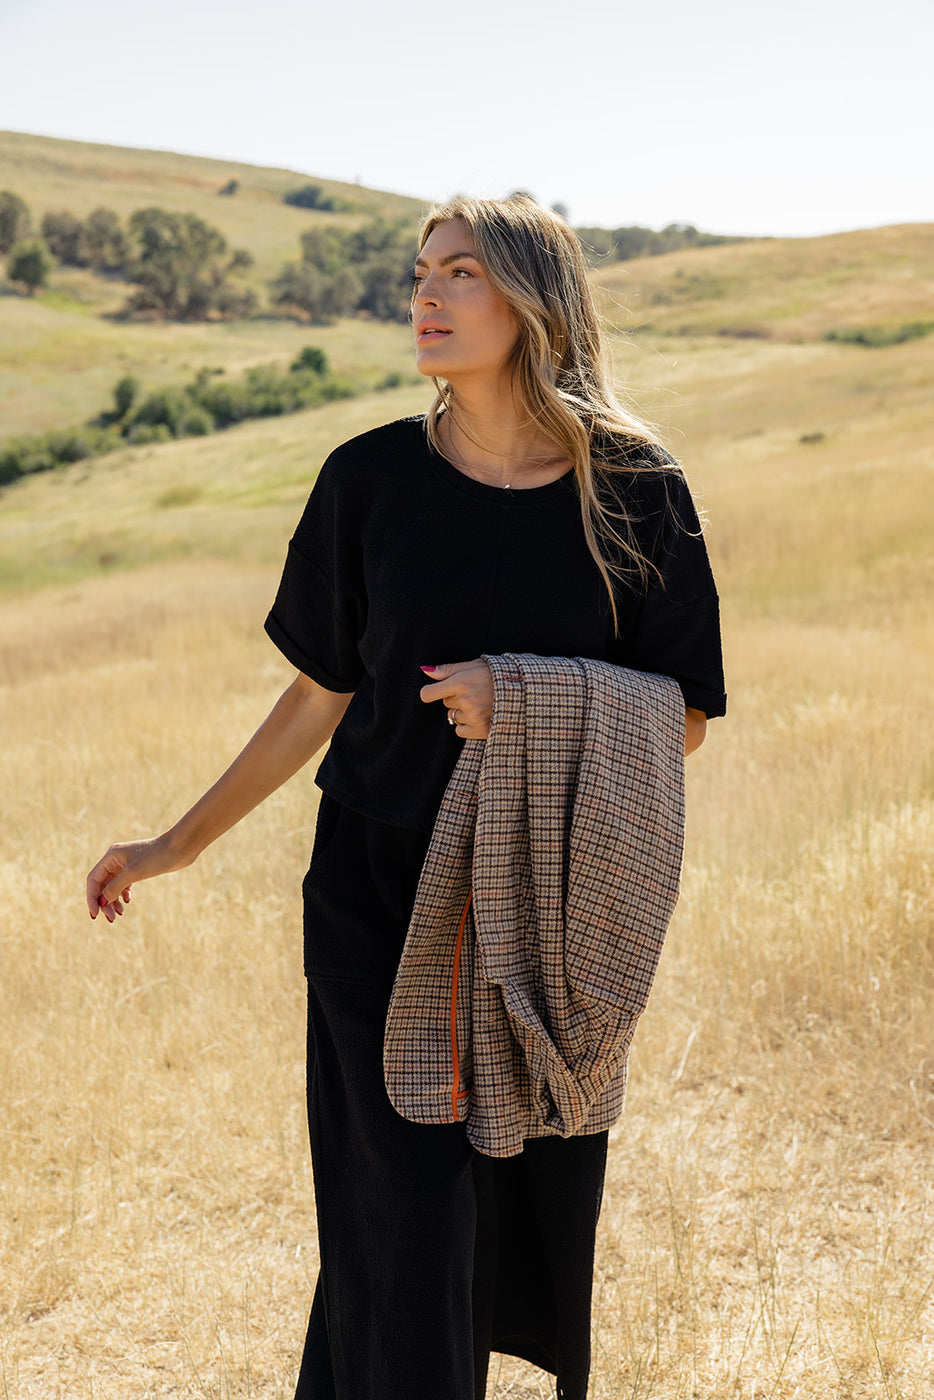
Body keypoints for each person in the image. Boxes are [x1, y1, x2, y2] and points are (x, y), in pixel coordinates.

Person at [87, 194, 726, 1400]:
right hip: (377, 894)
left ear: (534, 299)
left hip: (543, 899)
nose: (424, 297)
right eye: (418, 273)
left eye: (461, 273)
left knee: (491, 1207)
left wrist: (526, 698)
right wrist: (174, 842)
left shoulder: (634, 488)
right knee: (411, 1209)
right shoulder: (367, 479)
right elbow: (315, 696)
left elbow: (683, 713)